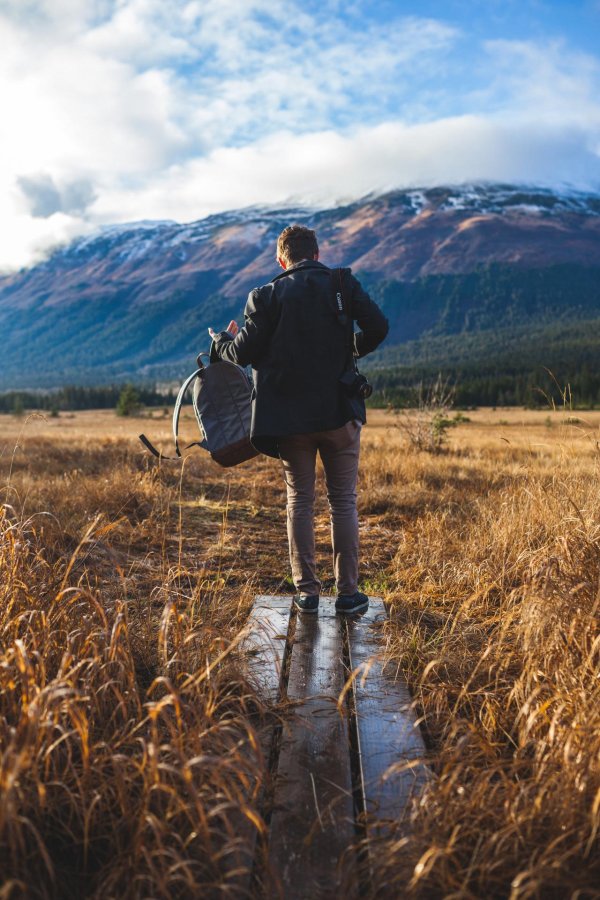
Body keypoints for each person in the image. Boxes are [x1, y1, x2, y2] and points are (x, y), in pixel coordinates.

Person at [208, 224, 388, 614]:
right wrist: (349, 352)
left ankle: (307, 593)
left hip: (289, 422)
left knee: (299, 502)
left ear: (281, 259)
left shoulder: (266, 296)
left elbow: (240, 353)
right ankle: (348, 595)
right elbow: (379, 327)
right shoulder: (342, 284)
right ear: (318, 254)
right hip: (340, 412)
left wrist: (220, 341)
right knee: (343, 502)